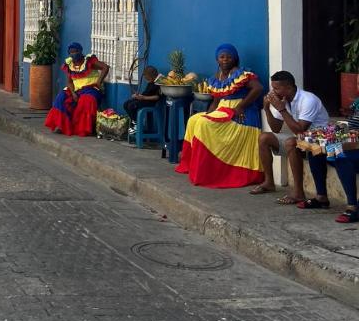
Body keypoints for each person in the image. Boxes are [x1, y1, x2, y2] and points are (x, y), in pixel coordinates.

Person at [175, 44, 264, 188]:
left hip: (241, 113)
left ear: (235, 59)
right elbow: (216, 100)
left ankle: (208, 171)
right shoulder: (218, 77)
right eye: (222, 57)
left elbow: (258, 88)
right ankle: (196, 165)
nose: (225, 60)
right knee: (194, 120)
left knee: (203, 124)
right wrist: (209, 114)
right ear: (217, 59)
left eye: (229, 57)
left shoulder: (239, 73)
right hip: (223, 110)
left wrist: (241, 106)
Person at [251, 70, 330, 202]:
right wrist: (267, 109)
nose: (273, 91)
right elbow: (276, 128)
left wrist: (282, 109)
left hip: (319, 141)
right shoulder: (283, 100)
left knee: (291, 142)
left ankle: (298, 193)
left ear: (288, 87)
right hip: (302, 138)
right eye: (273, 88)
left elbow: (300, 130)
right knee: (264, 138)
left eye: (276, 88)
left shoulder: (308, 100)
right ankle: (269, 182)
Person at [300, 102, 359, 222]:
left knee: (340, 155)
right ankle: (321, 196)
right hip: (351, 140)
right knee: (315, 149)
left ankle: (353, 206)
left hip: (354, 146)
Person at [44, 43, 109, 137]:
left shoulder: (89, 61)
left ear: (80, 51)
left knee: (86, 100)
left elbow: (105, 67)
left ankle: (83, 128)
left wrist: (99, 82)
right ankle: (62, 125)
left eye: (75, 51)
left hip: (91, 88)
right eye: (71, 52)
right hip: (77, 90)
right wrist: (73, 93)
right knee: (61, 97)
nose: (73, 54)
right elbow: (69, 82)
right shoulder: (69, 64)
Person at [124, 66, 160, 132]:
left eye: (147, 78)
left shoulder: (158, 83)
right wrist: (138, 96)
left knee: (131, 106)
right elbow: (146, 93)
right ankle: (135, 122)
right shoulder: (150, 83)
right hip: (143, 100)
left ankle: (137, 125)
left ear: (151, 76)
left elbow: (157, 97)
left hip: (150, 103)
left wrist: (143, 97)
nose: (147, 80)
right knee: (126, 104)